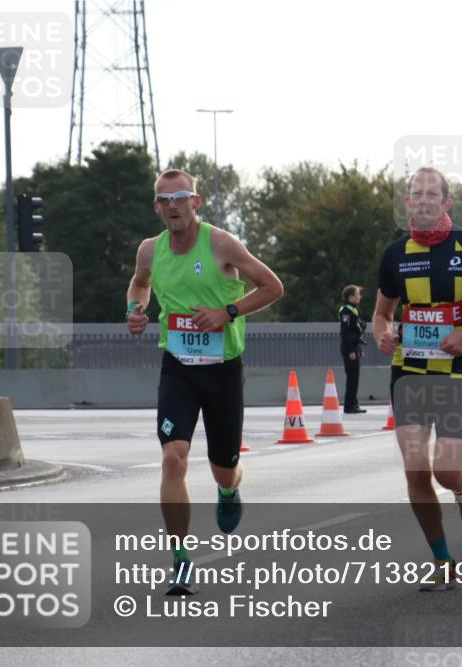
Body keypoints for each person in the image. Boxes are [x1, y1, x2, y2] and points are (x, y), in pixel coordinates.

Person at [126, 169, 284, 594]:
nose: (172, 205)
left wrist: (227, 313)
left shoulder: (221, 243)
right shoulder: (148, 251)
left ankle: (229, 490)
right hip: (177, 367)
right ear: (157, 207)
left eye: (180, 197)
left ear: (196, 202)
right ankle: (180, 560)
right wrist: (134, 311)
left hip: (222, 369)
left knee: (224, 466)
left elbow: (272, 286)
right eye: (164, 199)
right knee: (173, 458)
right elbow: (139, 286)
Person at [372, 167, 462, 591]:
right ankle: (442, 561)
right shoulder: (395, 254)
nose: (423, 199)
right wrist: (382, 334)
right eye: (416, 194)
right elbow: (381, 311)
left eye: (432, 194)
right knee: (414, 470)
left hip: (459, 373)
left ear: (447, 202)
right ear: (407, 203)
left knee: (445, 470)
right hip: (408, 373)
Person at [339, 284, 367, 413]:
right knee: (352, 378)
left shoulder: (354, 309)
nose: (359, 296)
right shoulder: (347, 310)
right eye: (357, 294)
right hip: (350, 349)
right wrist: (350, 350)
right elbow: (345, 332)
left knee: (355, 378)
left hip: (355, 346)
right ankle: (349, 406)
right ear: (350, 297)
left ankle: (354, 404)